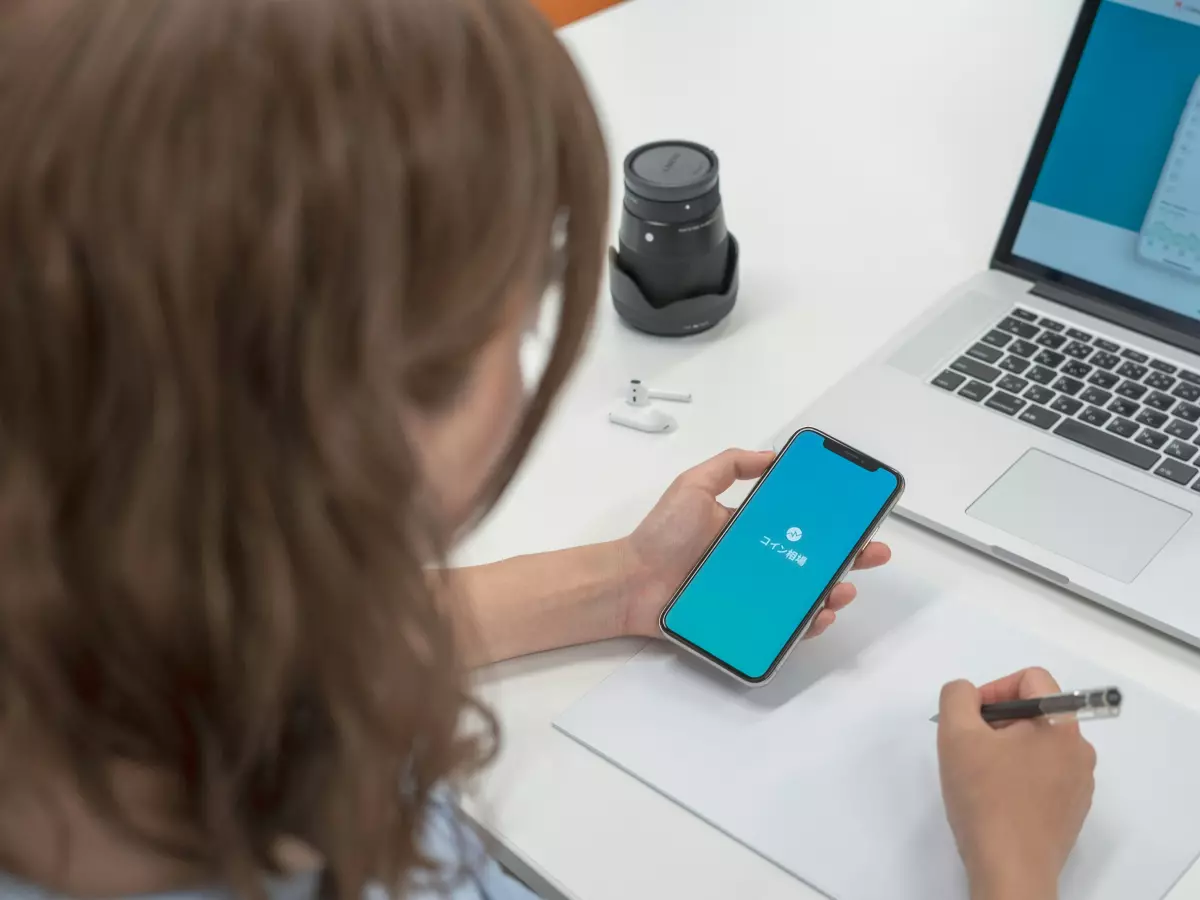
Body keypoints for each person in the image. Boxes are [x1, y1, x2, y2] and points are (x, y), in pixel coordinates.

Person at [0, 1, 1095, 899]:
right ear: (354, 419)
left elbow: (251, 638)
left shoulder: (94, 610)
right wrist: (1014, 867)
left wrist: (620, 585)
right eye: (511, 312)